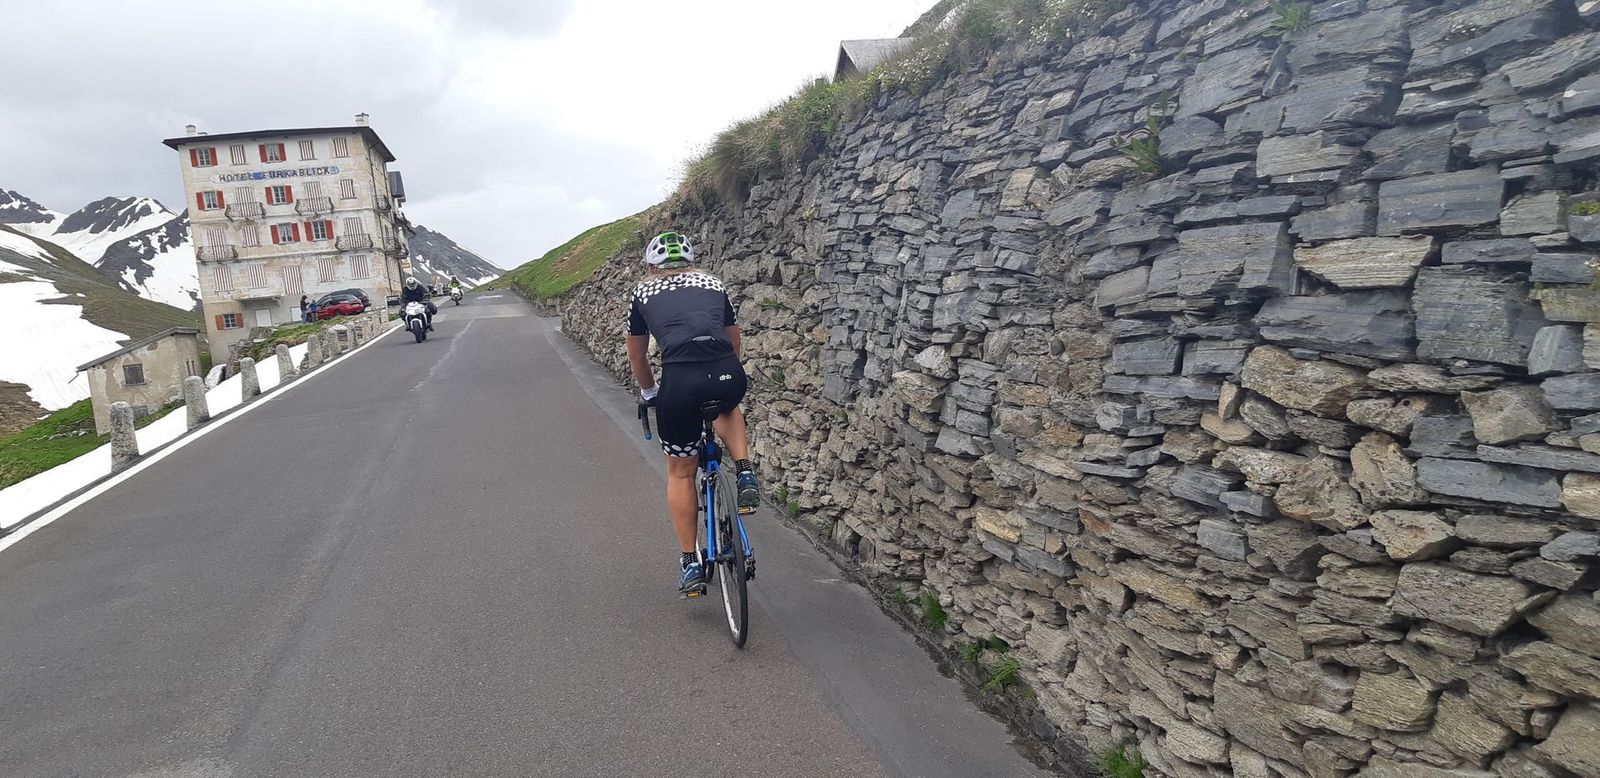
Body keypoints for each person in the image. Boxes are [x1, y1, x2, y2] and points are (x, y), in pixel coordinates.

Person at [625, 231, 760, 596]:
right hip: (726, 370)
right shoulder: (714, 284)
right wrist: (723, 372)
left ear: (652, 266)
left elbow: (637, 355)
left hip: (680, 382)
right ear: (691, 261)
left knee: (681, 472)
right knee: (727, 406)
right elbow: (734, 338)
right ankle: (744, 471)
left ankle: (690, 563)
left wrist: (650, 392)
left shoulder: (642, 292)